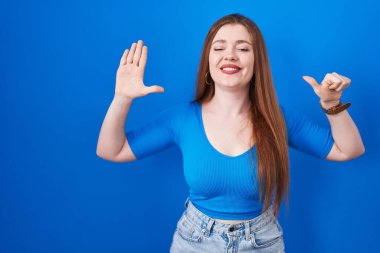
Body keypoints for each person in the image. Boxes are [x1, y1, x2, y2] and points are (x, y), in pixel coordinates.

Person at [96, 13, 365, 253]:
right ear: (208, 61)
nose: (230, 55)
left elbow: (348, 150)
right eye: (220, 47)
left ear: (256, 62)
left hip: (262, 244)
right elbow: (112, 150)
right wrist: (122, 98)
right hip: (194, 243)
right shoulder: (181, 118)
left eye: (243, 48)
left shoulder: (278, 120)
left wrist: (332, 105)